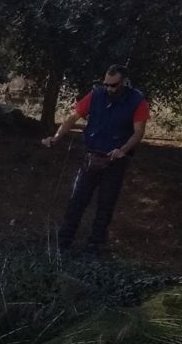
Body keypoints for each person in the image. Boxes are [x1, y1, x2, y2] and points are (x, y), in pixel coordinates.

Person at [43, 64, 149, 254]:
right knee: (77, 200)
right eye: (106, 84)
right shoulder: (96, 95)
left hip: (116, 161)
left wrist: (123, 150)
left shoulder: (137, 101)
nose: (108, 88)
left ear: (124, 82)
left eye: (113, 85)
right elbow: (72, 117)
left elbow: (138, 132)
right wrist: (57, 137)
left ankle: (94, 246)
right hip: (92, 156)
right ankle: (63, 242)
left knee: (105, 205)